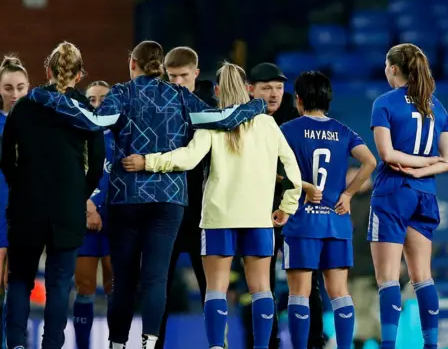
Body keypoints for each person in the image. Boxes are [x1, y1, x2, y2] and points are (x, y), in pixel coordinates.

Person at [30, 41, 266, 349]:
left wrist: (46, 97)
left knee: (124, 281)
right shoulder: (182, 97)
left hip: (125, 198)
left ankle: (116, 344)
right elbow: (223, 118)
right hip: (168, 201)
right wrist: (257, 105)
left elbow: (93, 122)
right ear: (161, 68)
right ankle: (150, 343)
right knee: (156, 279)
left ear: (133, 65)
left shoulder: (122, 94)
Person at [121, 61, 302, 349]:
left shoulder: (211, 122)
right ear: (247, 90)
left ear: (217, 91)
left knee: (216, 289)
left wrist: (148, 160)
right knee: (261, 289)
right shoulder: (267, 124)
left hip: (219, 216)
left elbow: (187, 159)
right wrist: (287, 206)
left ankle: (217, 346)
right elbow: (293, 171)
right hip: (258, 218)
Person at [0, 41, 105, 349]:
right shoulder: (84, 111)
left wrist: (21, 188)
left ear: (46, 70)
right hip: (67, 209)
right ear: (80, 75)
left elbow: (6, 159)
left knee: (19, 279)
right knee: (60, 285)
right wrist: (78, 194)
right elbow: (97, 163)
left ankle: (16, 344)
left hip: (26, 207)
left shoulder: (26, 105)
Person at [369, 43, 448, 349]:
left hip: (392, 192)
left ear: (393, 68)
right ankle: (431, 345)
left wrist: (411, 166)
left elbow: (387, 153)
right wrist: (427, 166)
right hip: (425, 194)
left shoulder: (384, 103)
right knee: (423, 276)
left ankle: (389, 345)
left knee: (388, 279)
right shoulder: (437, 106)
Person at [280, 71, 377, 349]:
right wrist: (348, 193)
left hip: (302, 222)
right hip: (336, 221)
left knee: (299, 293)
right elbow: (369, 162)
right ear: (328, 100)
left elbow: (273, 170)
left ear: (298, 100)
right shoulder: (342, 131)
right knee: (339, 292)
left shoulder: (287, 130)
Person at [244, 62, 327, 349]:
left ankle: (314, 341)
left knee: (307, 282)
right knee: (261, 283)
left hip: (296, 213)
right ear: (249, 90)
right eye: (266, 88)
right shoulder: (244, 120)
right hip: (258, 211)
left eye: (279, 88)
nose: (274, 94)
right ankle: (268, 342)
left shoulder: (296, 118)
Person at [157, 46, 215, 349]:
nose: (178, 81)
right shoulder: (157, 107)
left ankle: (218, 343)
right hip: (167, 211)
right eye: (172, 76)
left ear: (195, 72)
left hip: (205, 213)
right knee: (159, 289)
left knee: (212, 289)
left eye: (183, 75)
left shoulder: (213, 109)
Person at [73, 80, 115, 349]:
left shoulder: (124, 136)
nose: (97, 104)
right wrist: (88, 207)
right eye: (91, 99)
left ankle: (116, 344)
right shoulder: (77, 137)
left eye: (103, 99)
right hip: (84, 217)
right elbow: (69, 176)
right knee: (85, 285)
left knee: (115, 286)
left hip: (115, 221)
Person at [0, 55, 29, 346]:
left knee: (17, 287)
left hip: (25, 217)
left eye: (20, 87)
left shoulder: (37, 126)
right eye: (8, 88)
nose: (15, 94)